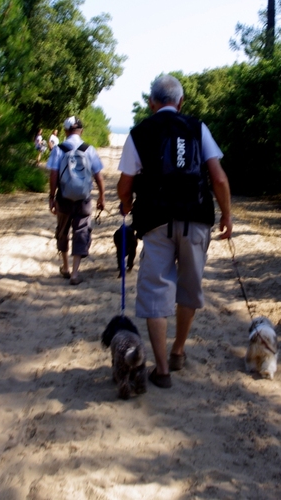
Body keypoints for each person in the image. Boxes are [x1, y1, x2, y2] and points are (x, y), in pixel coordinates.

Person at [117, 74, 232, 389]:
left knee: (156, 291)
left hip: (155, 222)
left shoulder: (138, 133)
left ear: (151, 103)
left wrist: (126, 205)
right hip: (196, 219)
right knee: (189, 288)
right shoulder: (198, 128)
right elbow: (219, 179)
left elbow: (125, 186)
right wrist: (227, 215)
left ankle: (163, 369)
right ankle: (179, 349)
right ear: (181, 103)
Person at [47, 116, 105, 285]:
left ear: (65, 131)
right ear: (82, 131)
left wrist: (52, 197)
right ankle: (75, 273)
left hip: (64, 197)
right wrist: (101, 196)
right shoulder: (89, 149)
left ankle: (64, 267)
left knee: (63, 230)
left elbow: (53, 175)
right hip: (83, 198)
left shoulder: (59, 149)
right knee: (81, 231)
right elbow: (98, 176)